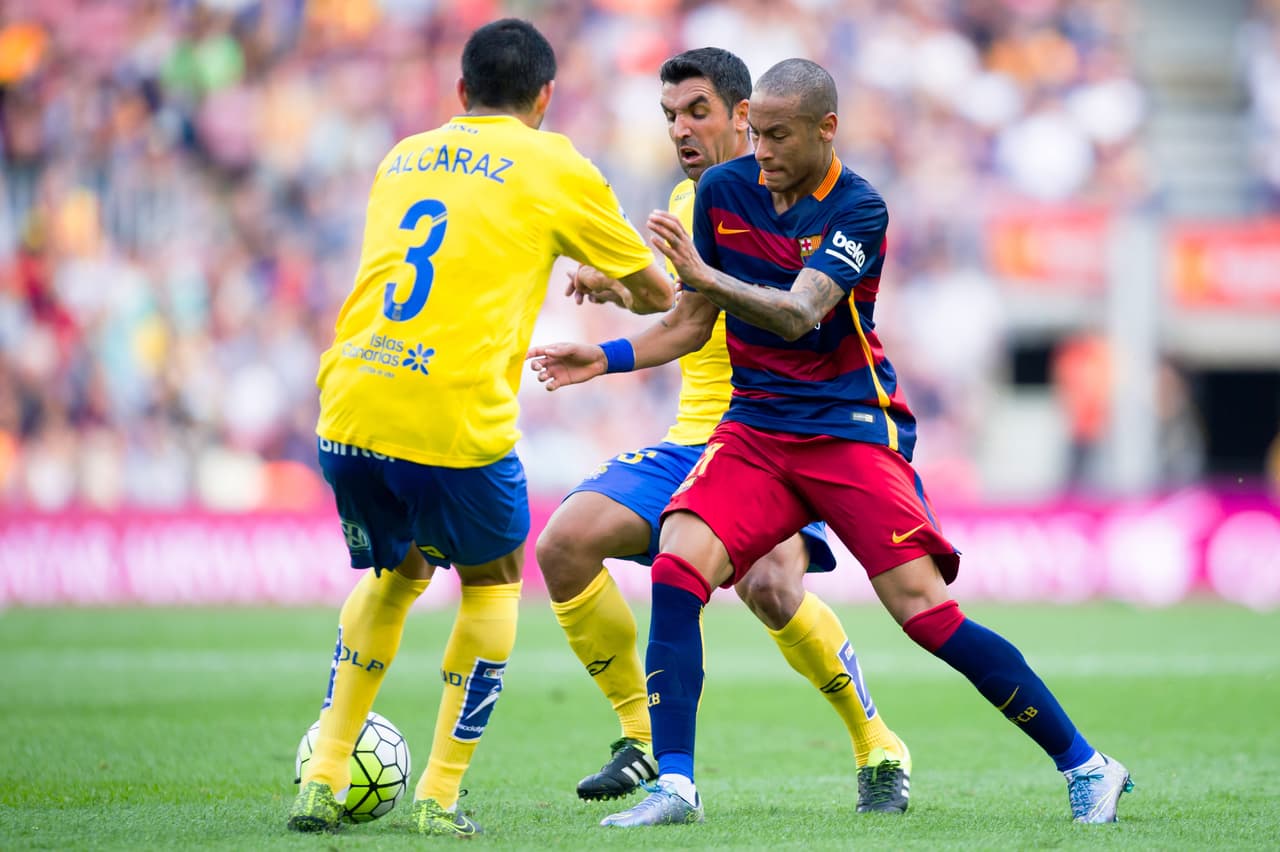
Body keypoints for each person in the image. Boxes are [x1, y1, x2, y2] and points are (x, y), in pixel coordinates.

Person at [558, 57, 1133, 827]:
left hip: (845, 428)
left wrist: (700, 272)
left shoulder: (860, 209)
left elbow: (799, 313)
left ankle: (1088, 766)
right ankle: (677, 784)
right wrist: (607, 356)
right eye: (755, 133)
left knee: (926, 613)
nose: (759, 151)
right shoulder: (721, 194)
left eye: (778, 136)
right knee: (675, 565)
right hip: (756, 428)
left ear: (826, 130)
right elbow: (695, 322)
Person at [287, 18, 674, 837]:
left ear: (460, 93)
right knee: (495, 578)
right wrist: (606, 283)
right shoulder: (555, 159)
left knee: (397, 571)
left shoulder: (404, 155)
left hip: (350, 403)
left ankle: (321, 776)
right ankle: (437, 795)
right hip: (452, 411)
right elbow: (660, 293)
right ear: (545, 97)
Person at [528, 48, 911, 815]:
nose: (680, 129)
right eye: (670, 116)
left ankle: (878, 745)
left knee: (771, 587)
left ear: (746, 116)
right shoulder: (694, 196)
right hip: (694, 439)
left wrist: (647, 296)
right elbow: (683, 307)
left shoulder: (810, 203)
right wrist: (618, 303)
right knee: (563, 543)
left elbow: (762, 300)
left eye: (696, 111)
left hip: (779, 439)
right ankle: (642, 741)